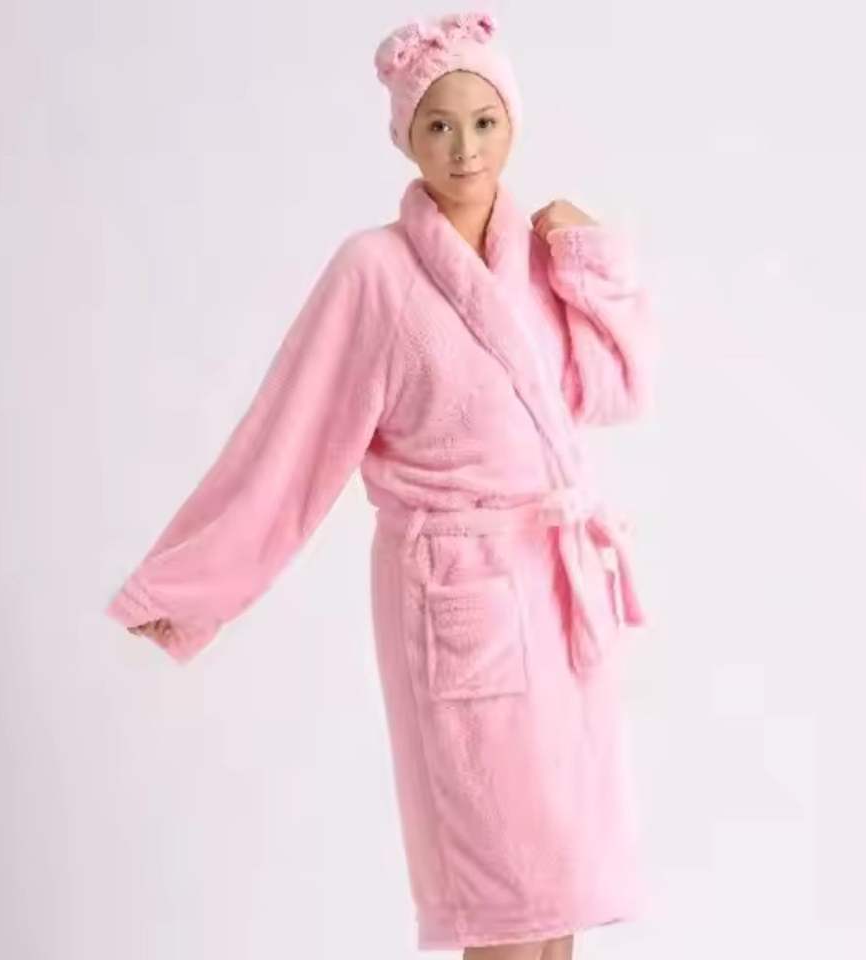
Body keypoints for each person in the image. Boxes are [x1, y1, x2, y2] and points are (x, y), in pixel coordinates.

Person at [106, 9, 658, 959]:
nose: (464, 148)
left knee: (559, 900)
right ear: (405, 136)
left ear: (513, 125)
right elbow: (291, 440)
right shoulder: (374, 272)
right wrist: (193, 587)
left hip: (558, 595)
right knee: (501, 901)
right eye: (438, 125)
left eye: (484, 122)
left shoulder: (539, 260)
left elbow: (612, 392)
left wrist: (593, 259)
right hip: (459, 596)